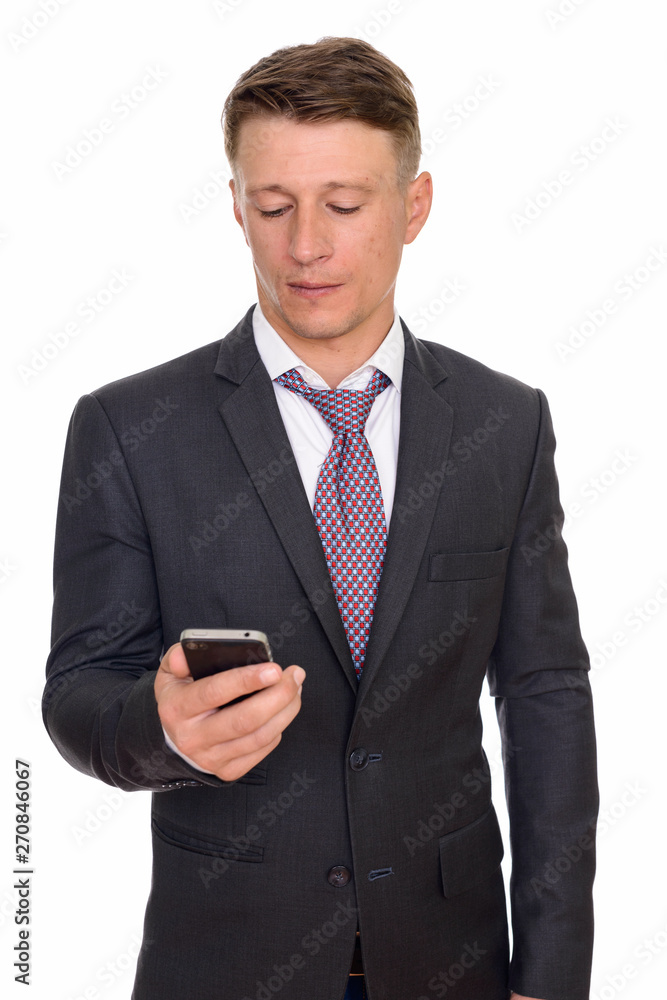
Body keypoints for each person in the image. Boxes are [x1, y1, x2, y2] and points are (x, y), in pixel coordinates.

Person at [43, 36, 598, 1000]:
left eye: (343, 206)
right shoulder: (130, 430)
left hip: (450, 960)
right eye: (273, 206)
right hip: (223, 959)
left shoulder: (506, 424)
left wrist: (550, 975)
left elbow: (547, 696)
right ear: (235, 209)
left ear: (413, 206)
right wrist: (159, 728)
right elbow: (78, 689)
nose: (306, 245)